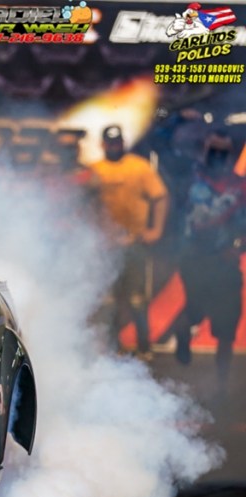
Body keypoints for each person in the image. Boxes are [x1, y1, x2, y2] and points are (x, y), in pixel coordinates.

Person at [173, 130, 245, 386]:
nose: (217, 157)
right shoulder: (190, 181)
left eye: (223, 153)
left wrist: (237, 247)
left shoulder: (240, 187)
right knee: (195, 310)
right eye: (213, 151)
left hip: (226, 263)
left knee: (226, 326)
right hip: (196, 262)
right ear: (204, 152)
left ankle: (221, 386)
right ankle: (182, 333)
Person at [90, 125, 169, 358]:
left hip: (135, 243)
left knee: (137, 298)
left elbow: (160, 197)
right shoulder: (95, 171)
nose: (114, 147)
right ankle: (112, 348)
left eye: (117, 142)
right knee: (109, 300)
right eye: (110, 143)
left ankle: (144, 347)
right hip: (106, 246)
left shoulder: (139, 167)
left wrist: (156, 230)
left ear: (123, 143)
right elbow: (85, 203)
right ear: (103, 144)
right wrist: (94, 234)